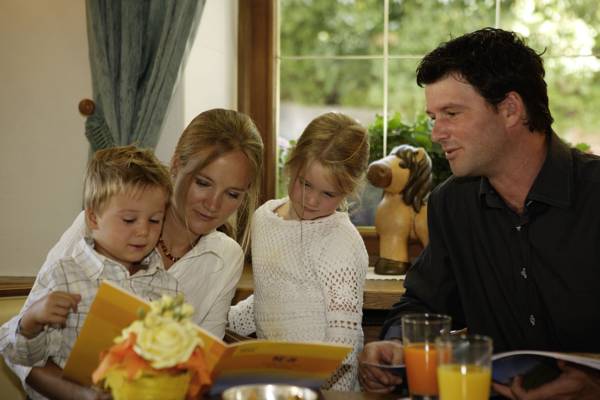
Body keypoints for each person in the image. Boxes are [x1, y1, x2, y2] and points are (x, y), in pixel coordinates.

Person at [358, 28, 600, 399]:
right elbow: (423, 304)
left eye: (451, 114)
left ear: (510, 109)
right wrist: (393, 345)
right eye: (434, 117)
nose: (437, 133)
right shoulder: (450, 204)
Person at [8, 109, 264, 400]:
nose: (213, 205)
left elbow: (200, 365)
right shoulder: (104, 226)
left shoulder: (226, 257)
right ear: (176, 165)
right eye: (203, 183)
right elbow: (18, 350)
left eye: (232, 194)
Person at [0, 145, 180, 399]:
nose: (143, 231)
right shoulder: (63, 275)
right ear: (94, 218)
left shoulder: (168, 287)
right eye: (129, 220)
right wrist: (31, 322)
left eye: (154, 220)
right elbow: (22, 358)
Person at [228, 112, 370, 390]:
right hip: (275, 380)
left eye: (328, 194)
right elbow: (273, 296)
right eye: (305, 184)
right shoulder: (263, 219)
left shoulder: (340, 241)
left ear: (348, 191)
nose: (312, 200)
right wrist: (221, 319)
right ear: (291, 164)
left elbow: (344, 340)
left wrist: (316, 389)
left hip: (327, 387)